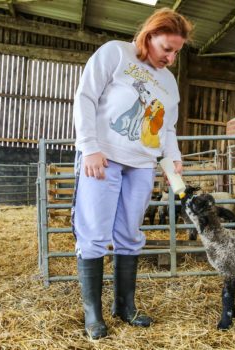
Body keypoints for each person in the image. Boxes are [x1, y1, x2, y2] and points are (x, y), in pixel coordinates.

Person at [72, 8, 192, 339]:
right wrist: (89, 147)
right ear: (149, 36)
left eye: (176, 52)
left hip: (141, 164)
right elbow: (85, 97)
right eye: (167, 48)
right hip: (103, 158)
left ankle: (124, 305)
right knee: (95, 232)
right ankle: (93, 312)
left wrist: (173, 161)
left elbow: (167, 128)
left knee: (129, 233)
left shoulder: (169, 83)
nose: (171, 57)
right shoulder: (115, 53)